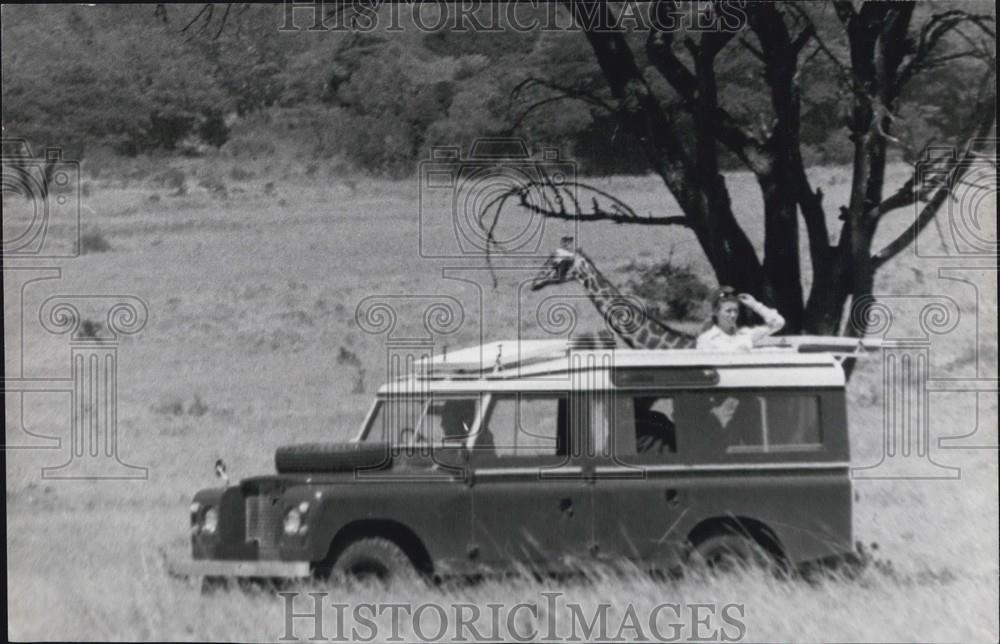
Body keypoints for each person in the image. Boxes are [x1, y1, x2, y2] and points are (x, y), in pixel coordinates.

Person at [696, 286, 784, 351]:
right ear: (716, 312)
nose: (733, 315)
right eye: (728, 311)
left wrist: (756, 305)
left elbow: (779, 323)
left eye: (736, 311)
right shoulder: (707, 339)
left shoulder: (745, 334)